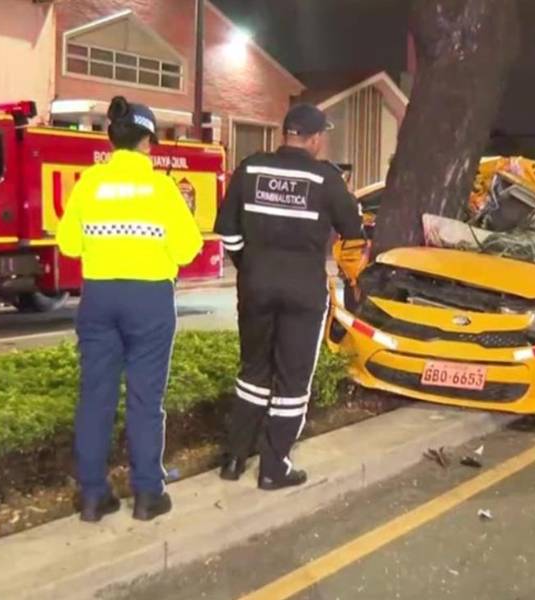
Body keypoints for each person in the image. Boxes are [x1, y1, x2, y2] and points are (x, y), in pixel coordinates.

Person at [57, 96, 203, 522]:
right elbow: (189, 248)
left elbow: (68, 244)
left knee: (95, 397)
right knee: (145, 398)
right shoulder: (161, 188)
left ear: (112, 138)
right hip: (149, 301)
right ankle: (147, 494)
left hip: (98, 297)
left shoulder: (89, 184)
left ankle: (92, 496)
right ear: (147, 141)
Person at [214, 103, 363, 490]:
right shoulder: (326, 179)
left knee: (253, 373)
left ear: (286, 134)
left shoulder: (250, 168)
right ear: (313, 139)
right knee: (293, 381)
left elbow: (227, 231)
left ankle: (233, 458)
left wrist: (250, 266)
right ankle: (273, 465)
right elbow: (354, 229)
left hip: (256, 287)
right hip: (302, 293)